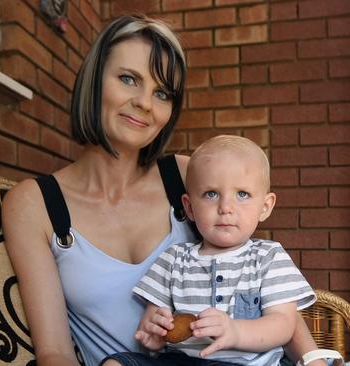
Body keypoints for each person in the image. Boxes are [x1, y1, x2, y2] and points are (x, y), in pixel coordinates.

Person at [2, 14, 325, 366]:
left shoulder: (185, 177)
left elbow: (259, 278)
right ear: (94, 82)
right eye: (128, 79)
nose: (145, 103)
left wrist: (314, 361)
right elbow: (54, 353)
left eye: (161, 93)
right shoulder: (35, 204)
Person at [102, 135, 316, 366]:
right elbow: (154, 318)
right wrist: (154, 331)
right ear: (190, 207)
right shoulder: (174, 259)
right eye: (211, 194)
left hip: (249, 363)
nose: (225, 208)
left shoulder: (268, 257)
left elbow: (283, 325)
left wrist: (235, 331)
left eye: (242, 194)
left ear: (265, 207)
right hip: (181, 361)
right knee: (115, 364)